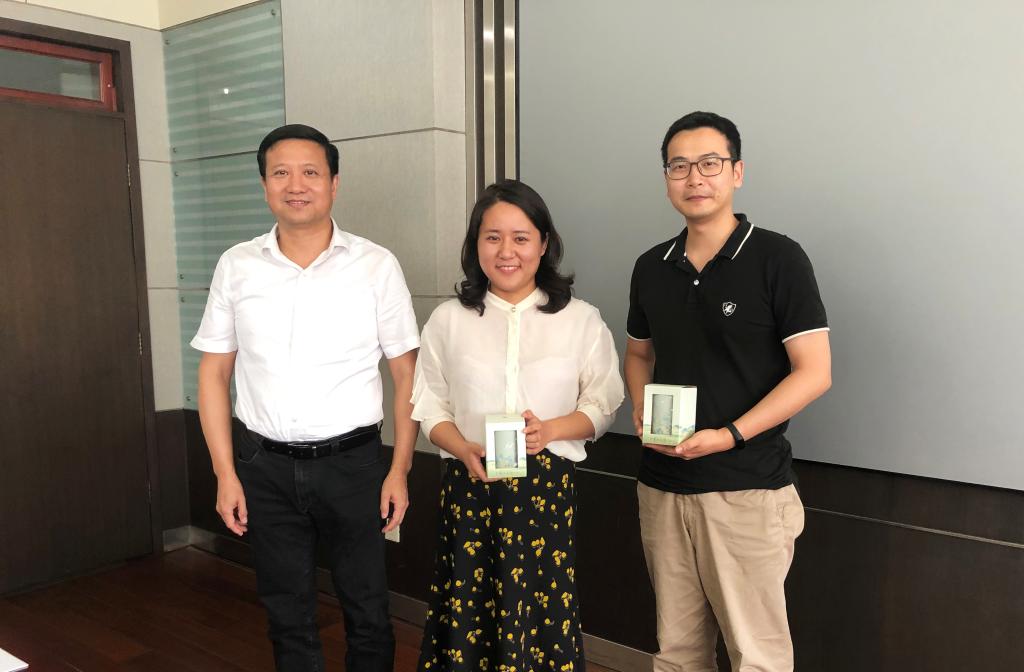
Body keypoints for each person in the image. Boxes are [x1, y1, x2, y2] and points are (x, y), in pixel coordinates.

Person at [192, 123, 419, 672]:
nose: (296, 185)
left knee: (367, 609)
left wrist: (400, 470)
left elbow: (408, 376)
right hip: (263, 467)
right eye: (281, 173)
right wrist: (225, 473)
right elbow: (214, 373)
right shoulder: (237, 265)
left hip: (354, 466)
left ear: (334, 183)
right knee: (286, 612)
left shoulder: (375, 265)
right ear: (265, 185)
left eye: (311, 172)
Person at [624, 111, 832, 671]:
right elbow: (639, 354)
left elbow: (814, 372)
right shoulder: (651, 266)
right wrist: (641, 407)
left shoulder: (778, 258)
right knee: (677, 652)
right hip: (663, 487)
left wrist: (730, 435)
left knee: (756, 656)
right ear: (667, 178)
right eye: (679, 166)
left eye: (710, 163)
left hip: (747, 489)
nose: (695, 177)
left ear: (736, 172)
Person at [412, 180, 624, 672]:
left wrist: (551, 430)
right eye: (492, 237)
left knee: (542, 614)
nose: (506, 251)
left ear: (543, 244)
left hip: (545, 489)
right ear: (476, 244)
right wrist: (461, 447)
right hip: (471, 483)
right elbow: (429, 406)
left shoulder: (580, 319)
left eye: (521, 237)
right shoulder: (448, 319)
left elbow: (603, 403)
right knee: (467, 610)